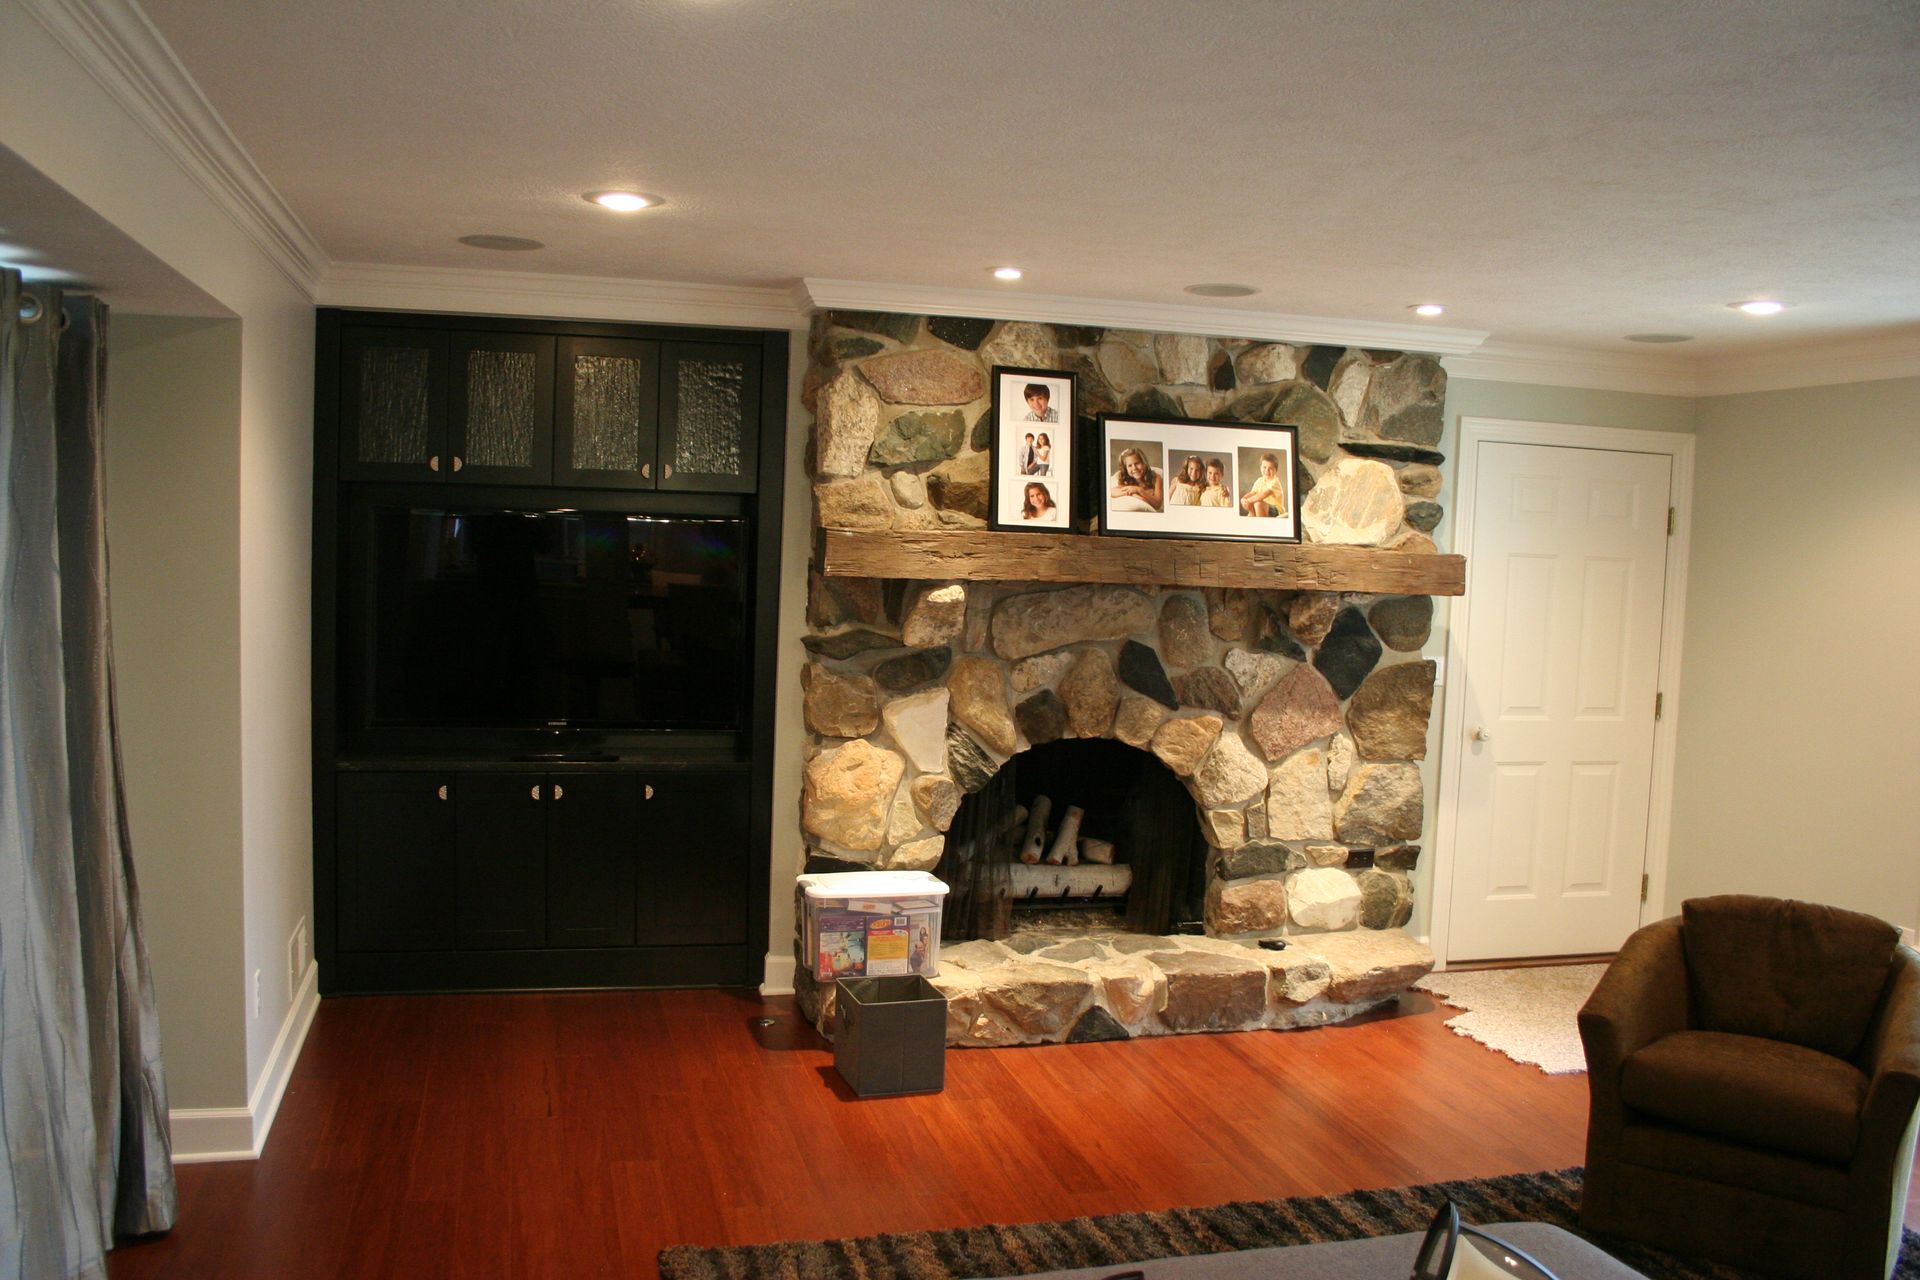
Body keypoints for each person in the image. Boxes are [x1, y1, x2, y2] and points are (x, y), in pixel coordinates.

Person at [1109, 446, 1164, 513]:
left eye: (1137, 463)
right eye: (1130, 466)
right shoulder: (1127, 481)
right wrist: (1134, 495)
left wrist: (1139, 490)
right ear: (1126, 469)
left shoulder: (1156, 477)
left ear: (1143, 463)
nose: (1134, 468)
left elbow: (1157, 504)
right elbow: (1111, 491)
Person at [1240, 451, 1288, 517]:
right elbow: (1252, 493)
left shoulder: (1275, 482)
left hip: (1275, 509)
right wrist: (1244, 499)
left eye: (1270, 468)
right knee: (1253, 505)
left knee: (1257, 503)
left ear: (1275, 470)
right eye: (1264, 467)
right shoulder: (1259, 480)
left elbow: (1263, 494)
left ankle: (1261, 524)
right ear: (1260, 468)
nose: (1267, 471)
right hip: (1261, 506)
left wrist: (1248, 501)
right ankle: (1252, 515)